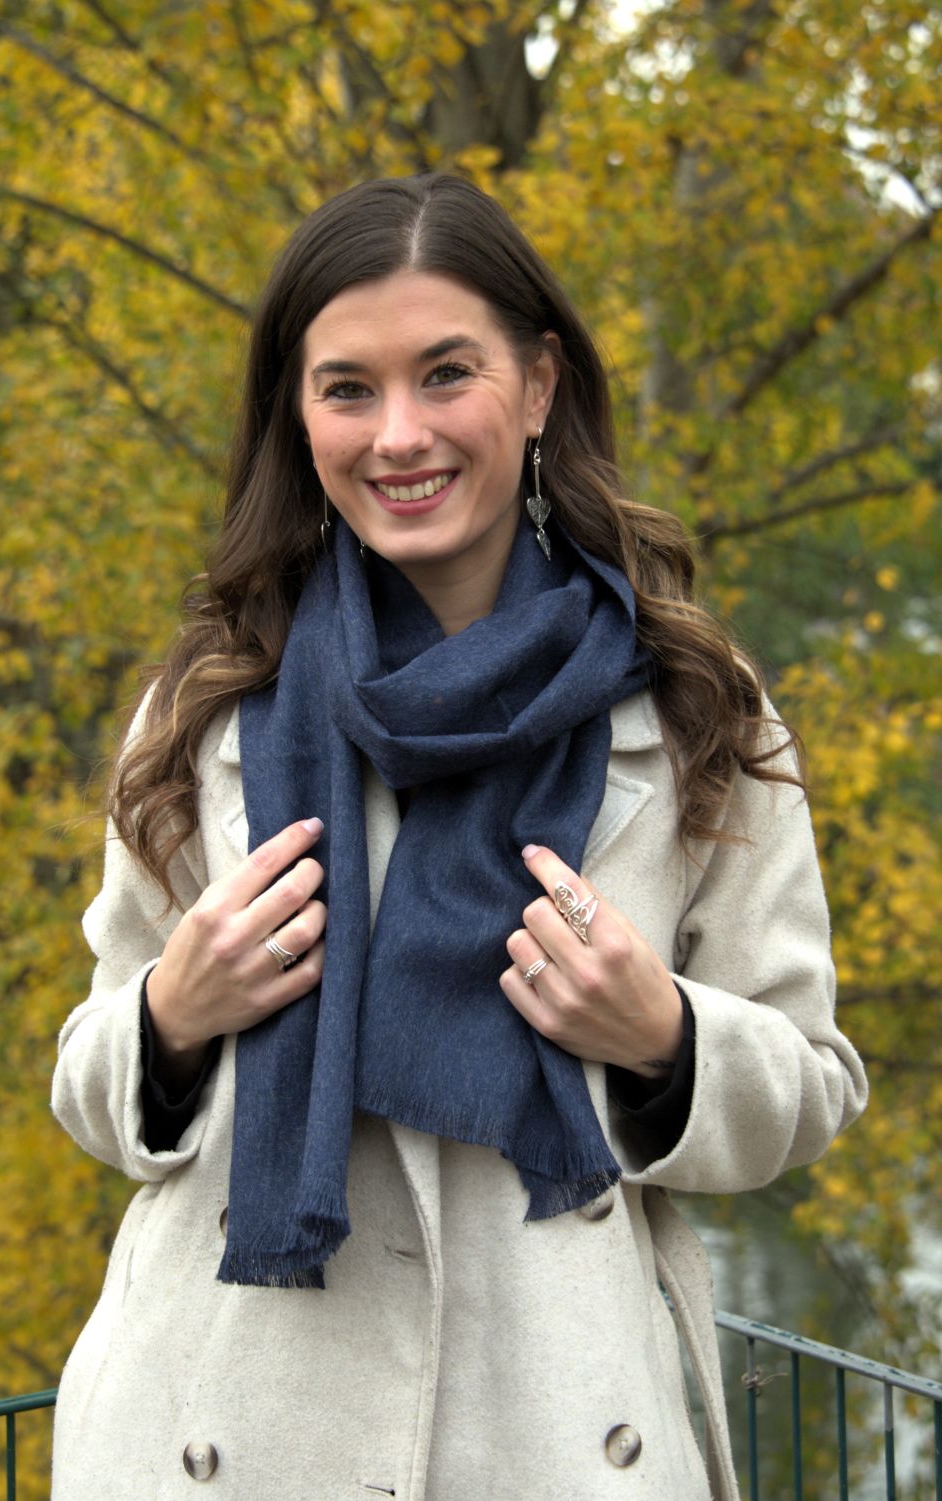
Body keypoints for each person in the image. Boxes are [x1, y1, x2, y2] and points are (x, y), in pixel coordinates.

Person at [50, 173, 867, 1501]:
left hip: (556, 1434)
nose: (399, 434)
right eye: (347, 388)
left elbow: (812, 1085)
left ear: (537, 386)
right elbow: (89, 1081)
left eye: (446, 374)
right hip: (225, 1427)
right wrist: (170, 1017)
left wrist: (663, 1037)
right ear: (298, 414)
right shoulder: (208, 707)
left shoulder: (695, 707)